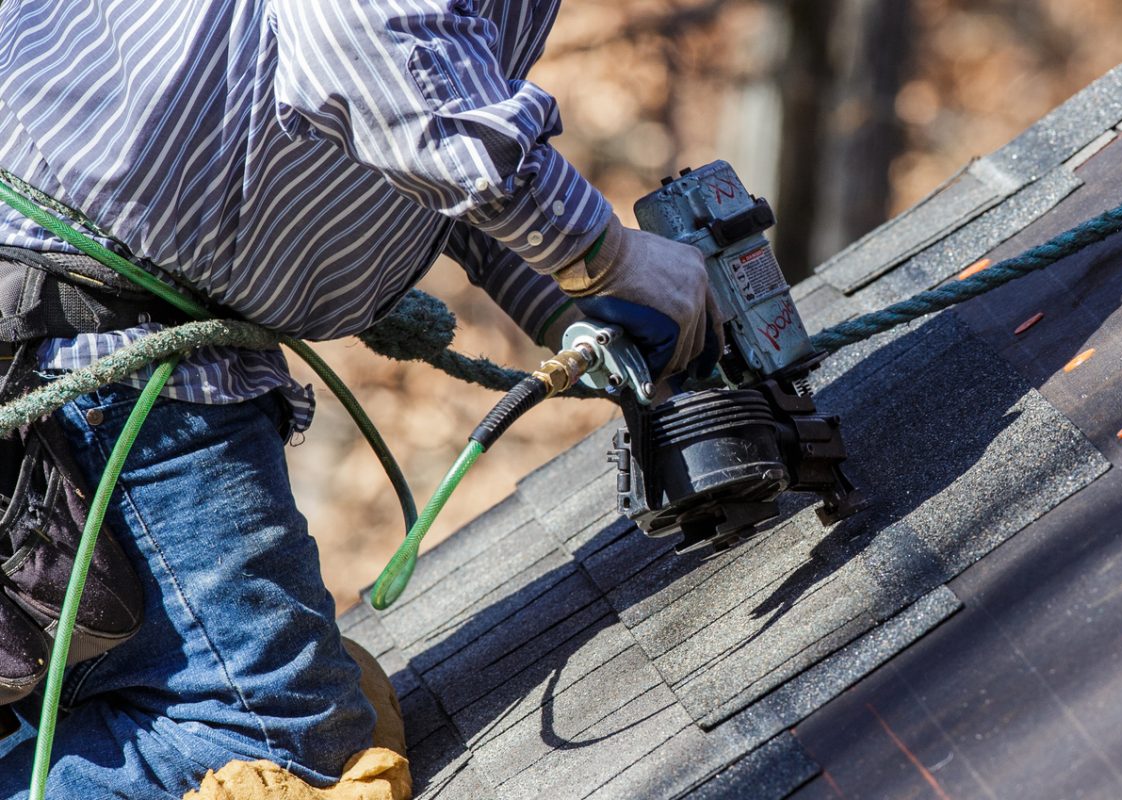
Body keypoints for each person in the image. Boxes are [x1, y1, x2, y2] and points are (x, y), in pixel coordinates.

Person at [0, 1, 711, 796]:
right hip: (83, 332)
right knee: (273, 744)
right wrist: (595, 252)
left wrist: (559, 295)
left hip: (84, 317)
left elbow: (409, 111)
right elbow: (369, 44)